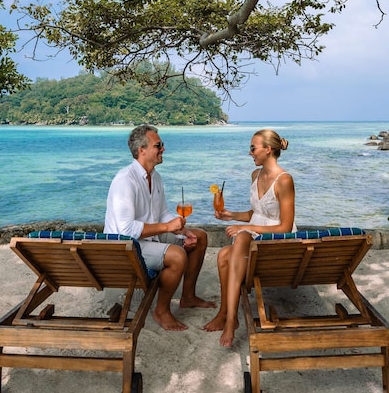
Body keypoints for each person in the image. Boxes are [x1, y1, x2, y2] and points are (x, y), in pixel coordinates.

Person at [105, 124, 215, 331]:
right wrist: (167, 226)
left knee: (199, 237)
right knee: (177, 256)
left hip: (147, 239)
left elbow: (162, 213)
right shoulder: (125, 181)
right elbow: (125, 230)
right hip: (126, 246)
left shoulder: (155, 177)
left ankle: (188, 297)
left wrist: (183, 231)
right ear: (142, 150)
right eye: (158, 145)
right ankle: (161, 310)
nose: (163, 148)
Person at [203, 129, 296, 347]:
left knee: (243, 237)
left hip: (275, 244)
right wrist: (231, 215)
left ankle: (230, 320)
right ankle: (225, 313)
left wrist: (247, 228)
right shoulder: (255, 175)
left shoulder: (284, 180)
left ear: (268, 149)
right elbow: (257, 213)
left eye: (253, 148)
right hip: (255, 239)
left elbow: (285, 227)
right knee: (223, 256)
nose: (250, 152)